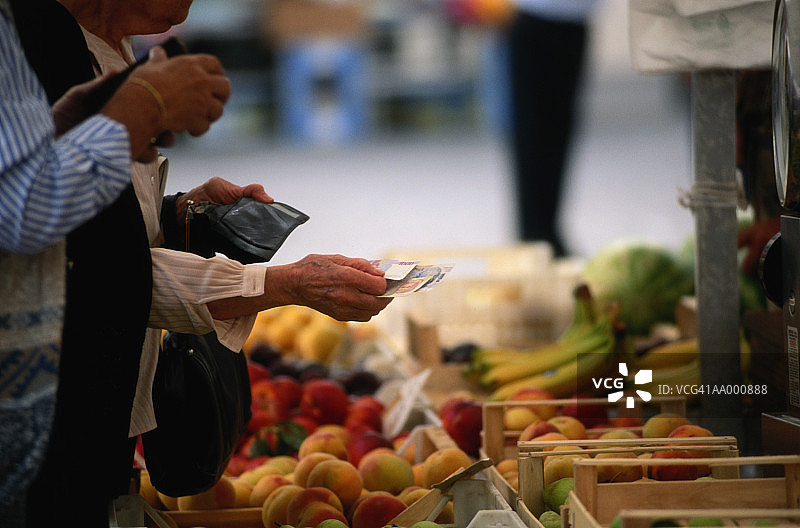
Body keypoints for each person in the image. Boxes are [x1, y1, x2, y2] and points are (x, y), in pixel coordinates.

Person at [12, 1, 392, 527]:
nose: (190, 7)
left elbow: (100, 225)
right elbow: (92, 270)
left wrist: (181, 212)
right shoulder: (31, 59)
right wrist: (281, 284)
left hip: (97, 414)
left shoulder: (110, 46)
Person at [0, 0, 232, 524]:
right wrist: (141, 109)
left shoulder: (95, 44)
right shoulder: (35, 36)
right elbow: (61, 241)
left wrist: (182, 214)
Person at [508, 0, 599, 256]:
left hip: (575, 20)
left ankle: (548, 231)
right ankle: (535, 238)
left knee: (559, 134)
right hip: (536, 17)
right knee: (534, 136)